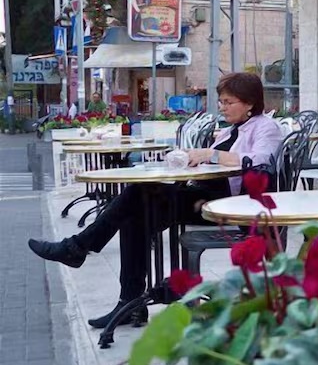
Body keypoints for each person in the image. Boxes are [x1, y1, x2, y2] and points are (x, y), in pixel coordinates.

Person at [28, 72, 284, 329]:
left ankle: (79, 250)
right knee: (135, 212)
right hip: (204, 197)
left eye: (228, 102)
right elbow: (214, 163)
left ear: (250, 103)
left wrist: (210, 154)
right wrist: (190, 158)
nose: (222, 107)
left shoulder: (266, 127)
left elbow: (260, 161)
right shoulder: (229, 131)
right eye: (221, 101)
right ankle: (128, 302)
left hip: (231, 206)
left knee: (137, 196)